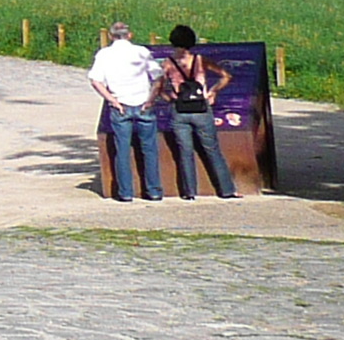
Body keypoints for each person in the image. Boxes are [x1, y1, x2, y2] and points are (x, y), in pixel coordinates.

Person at [157, 26, 240, 202]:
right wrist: (213, 91)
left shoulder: (168, 63)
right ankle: (227, 189)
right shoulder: (201, 60)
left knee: (184, 151)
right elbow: (226, 76)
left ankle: (189, 192)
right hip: (201, 108)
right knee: (212, 150)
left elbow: (158, 86)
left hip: (180, 109)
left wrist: (169, 97)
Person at [89, 21, 163, 203]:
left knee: (122, 150)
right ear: (129, 35)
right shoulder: (141, 52)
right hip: (143, 103)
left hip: (120, 104)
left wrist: (111, 99)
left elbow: (95, 80)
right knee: (149, 149)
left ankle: (125, 192)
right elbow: (158, 77)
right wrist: (151, 99)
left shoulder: (104, 54)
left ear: (111, 36)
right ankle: (153, 190)